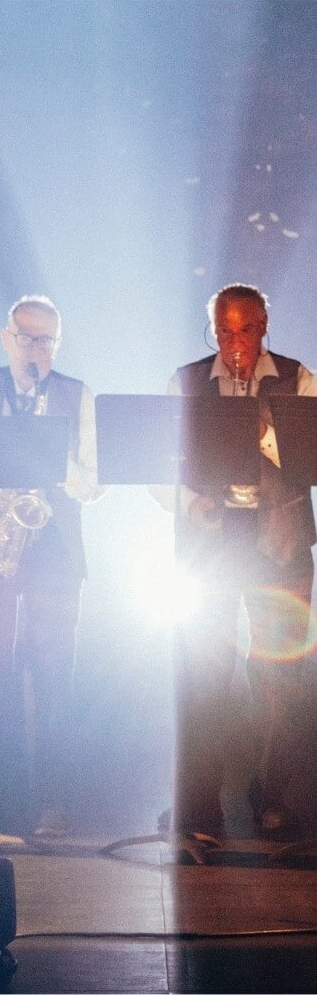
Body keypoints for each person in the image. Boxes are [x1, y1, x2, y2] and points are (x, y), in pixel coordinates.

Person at [163, 284, 315, 850]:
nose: (234, 344)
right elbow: (162, 466)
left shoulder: (298, 377)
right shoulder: (185, 382)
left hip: (279, 541)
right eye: (223, 332)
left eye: (245, 330)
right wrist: (193, 503)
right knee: (204, 673)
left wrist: (266, 434)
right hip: (212, 543)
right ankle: (200, 805)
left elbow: (311, 457)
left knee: (281, 678)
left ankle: (279, 806)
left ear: (265, 325)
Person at [0, 296, 103, 838]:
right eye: (27, 338)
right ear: (6, 337)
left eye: (47, 341)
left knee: (56, 675)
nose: (36, 350)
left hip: (55, 549)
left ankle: (52, 802)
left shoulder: (76, 395)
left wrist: (48, 455)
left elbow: (94, 485)